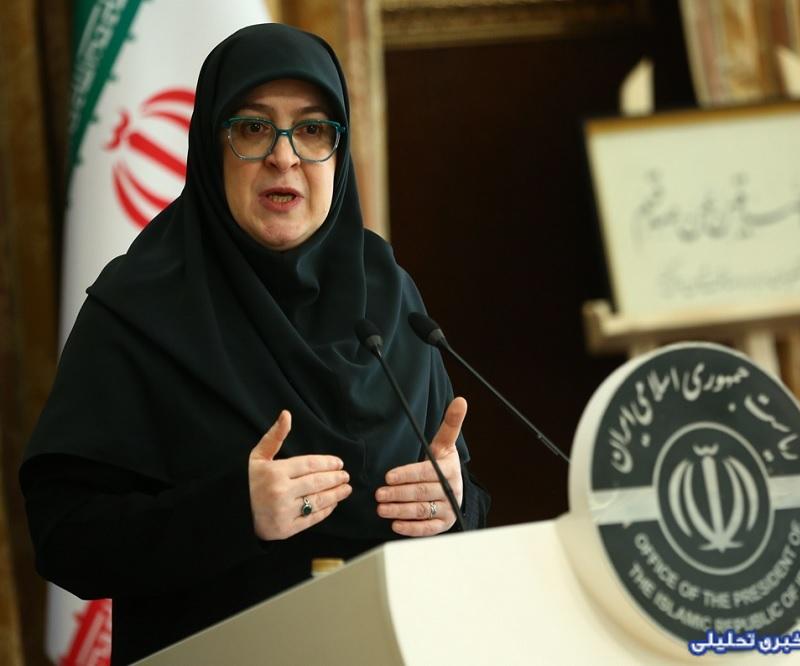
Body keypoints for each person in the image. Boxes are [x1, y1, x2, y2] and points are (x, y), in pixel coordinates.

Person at [21, 23, 489, 664]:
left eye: (313, 129)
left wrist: (456, 506)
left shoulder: (389, 295)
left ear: (339, 153)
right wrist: (232, 513)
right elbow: (64, 537)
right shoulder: (138, 309)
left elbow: (461, 494)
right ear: (210, 147)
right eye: (253, 127)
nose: (284, 157)